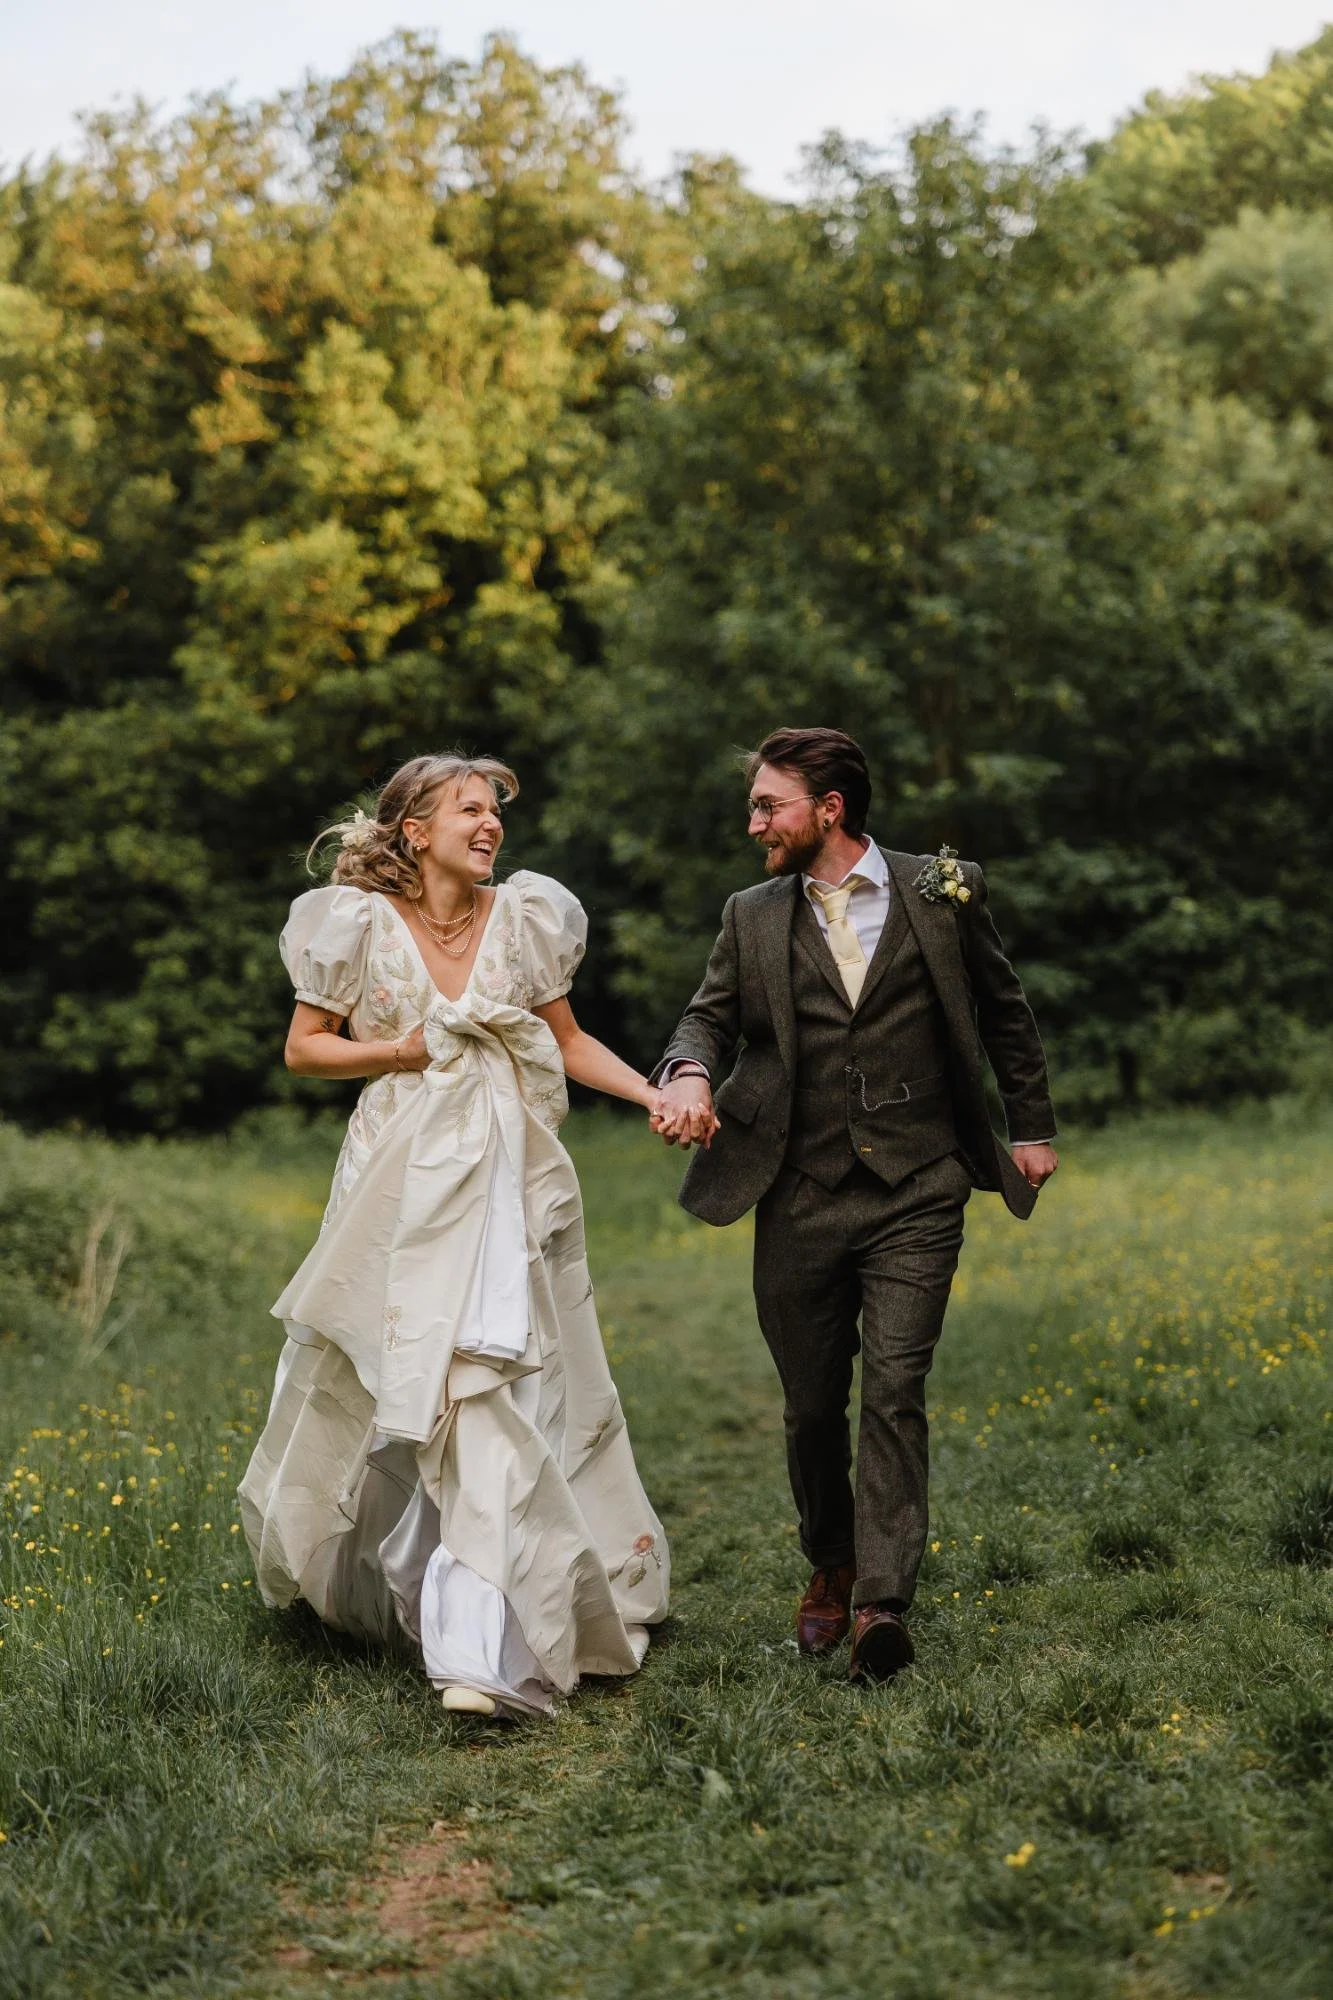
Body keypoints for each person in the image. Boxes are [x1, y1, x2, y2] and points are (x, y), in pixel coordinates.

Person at [239, 753, 669, 1719]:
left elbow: (564, 1041)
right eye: (468, 810)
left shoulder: (523, 920)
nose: (490, 826)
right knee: (401, 1381)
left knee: (487, 1378)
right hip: (395, 1178)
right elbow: (305, 1047)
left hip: (502, 1178)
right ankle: (388, 1594)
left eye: (494, 812)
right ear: (414, 831)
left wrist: (652, 1093)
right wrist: (401, 1049)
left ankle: (480, 1644)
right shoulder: (354, 926)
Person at [651, 726, 1056, 1684]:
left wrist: (1029, 1127)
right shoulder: (751, 913)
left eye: (767, 804)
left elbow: (1004, 1011)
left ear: (827, 810)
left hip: (920, 1184)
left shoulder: (939, 891)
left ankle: (880, 1600)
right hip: (795, 1190)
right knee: (807, 1408)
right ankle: (829, 1563)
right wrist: (691, 1073)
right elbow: (708, 1015)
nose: (753, 820)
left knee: (894, 1388)